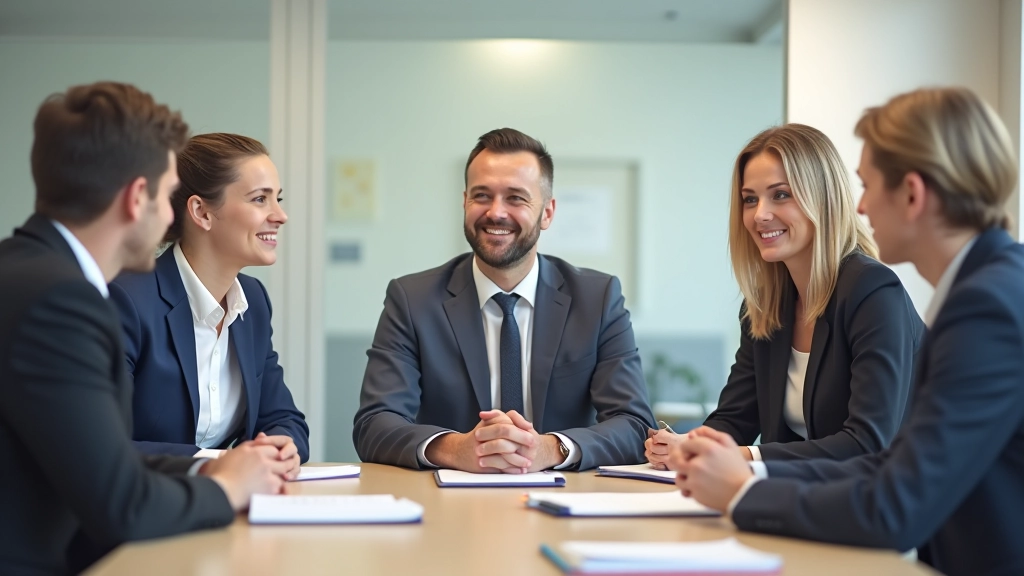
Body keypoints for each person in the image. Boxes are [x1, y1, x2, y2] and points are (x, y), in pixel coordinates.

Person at [672, 87, 1024, 576]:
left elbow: (893, 501)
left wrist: (745, 485)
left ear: (912, 194)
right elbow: (894, 466)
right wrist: (729, 467)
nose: (859, 207)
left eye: (867, 185)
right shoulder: (988, 289)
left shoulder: (986, 306)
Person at [0, 82, 293, 575]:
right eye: (166, 196)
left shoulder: (27, 271)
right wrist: (227, 484)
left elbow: (103, 460)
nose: (168, 217)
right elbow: (122, 504)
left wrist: (229, 465)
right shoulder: (61, 300)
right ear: (139, 198)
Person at [353, 127, 655, 472]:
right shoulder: (412, 300)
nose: (496, 212)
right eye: (482, 196)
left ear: (548, 212)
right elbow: (374, 424)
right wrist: (456, 448)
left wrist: (548, 449)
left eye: (516, 198)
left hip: (565, 505)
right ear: (464, 201)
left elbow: (633, 424)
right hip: (448, 507)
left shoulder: (597, 299)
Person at [646, 124, 922, 469]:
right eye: (750, 199)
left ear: (821, 198)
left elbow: (867, 443)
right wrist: (689, 444)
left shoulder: (873, 292)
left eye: (780, 195)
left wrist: (744, 456)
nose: (760, 214)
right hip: (813, 500)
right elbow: (735, 420)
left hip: (895, 507)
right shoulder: (765, 306)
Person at [110, 133, 309, 468]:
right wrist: (218, 463)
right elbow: (104, 445)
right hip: (138, 510)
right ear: (201, 212)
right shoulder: (126, 300)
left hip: (225, 504)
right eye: (260, 199)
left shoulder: (254, 302)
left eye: (278, 198)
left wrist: (283, 447)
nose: (280, 215)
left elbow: (284, 418)